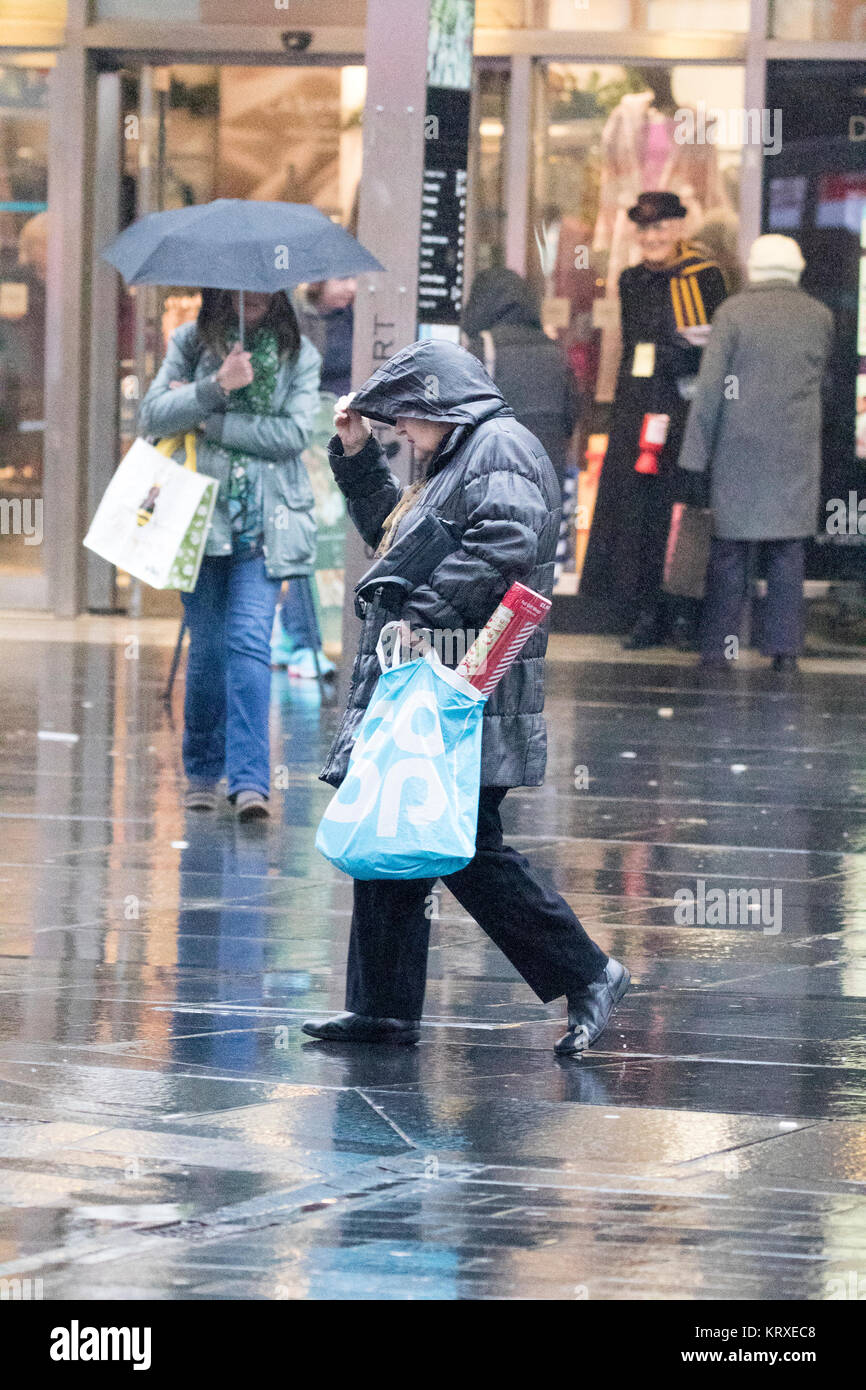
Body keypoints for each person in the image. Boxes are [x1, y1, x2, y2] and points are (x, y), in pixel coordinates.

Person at [301, 339, 629, 1054]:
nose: (404, 435)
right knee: (396, 832)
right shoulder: (457, 455)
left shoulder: (498, 446)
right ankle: (383, 1005)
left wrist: (423, 617)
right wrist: (358, 458)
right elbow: (395, 545)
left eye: (408, 421)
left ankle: (590, 970)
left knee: (465, 848)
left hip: (467, 687)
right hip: (435, 677)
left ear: (440, 402)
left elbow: (502, 546)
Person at [139, 288, 321, 819]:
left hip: (265, 526)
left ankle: (249, 783)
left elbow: (291, 434)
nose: (253, 296)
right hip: (195, 521)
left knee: (248, 645)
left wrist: (208, 420)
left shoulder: (297, 356)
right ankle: (200, 769)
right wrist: (216, 384)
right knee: (210, 650)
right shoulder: (190, 343)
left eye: (263, 289)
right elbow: (152, 415)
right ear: (222, 294)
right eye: (241, 290)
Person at [678, 234, 834, 673]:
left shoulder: (733, 314)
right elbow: (823, 378)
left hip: (738, 449)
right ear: (796, 269)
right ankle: (784, 651)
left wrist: (694, 458)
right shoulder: (818, 315)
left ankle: (720, 649)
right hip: (796, 450)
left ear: (755, 268)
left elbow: (710, 392)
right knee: (787, 553)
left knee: (730, 552)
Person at [579, 191, 727, 649]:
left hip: (684, 410)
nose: (652, 237)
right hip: (638, 408)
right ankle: (643, 610)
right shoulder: (630, 280)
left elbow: (714, 351)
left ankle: (684, 612)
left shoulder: (704, 276)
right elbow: (629, 349)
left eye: (660, 227)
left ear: (680, 228)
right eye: (644, 230)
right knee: (637, 509)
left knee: (682, 510)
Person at [271, 277, 357, 676]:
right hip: (305, 443)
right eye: (342, 277)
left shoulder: (358, 320)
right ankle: (301, 637)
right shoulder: (293, 321)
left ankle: (296, 632)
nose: (350, 287)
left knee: (326, 539)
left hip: (342, 439)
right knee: (310, 533)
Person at [461, 266, 581, 493]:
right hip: (546, 469)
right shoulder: (554, 350)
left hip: (496, 469)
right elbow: (572, 414)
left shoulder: (482, 347)